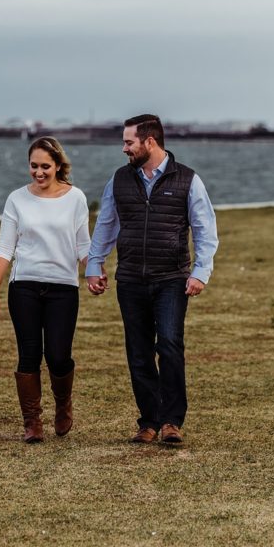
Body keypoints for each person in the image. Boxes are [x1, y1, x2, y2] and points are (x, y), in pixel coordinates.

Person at [86, 114, 218, 446]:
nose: (124, 149)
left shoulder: (188, 180)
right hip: (130, 279)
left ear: (150, 142)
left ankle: (172, 422)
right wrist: (94, 264)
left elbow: (205, 231)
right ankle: (149, 422)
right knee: (139, 352)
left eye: (129, 142)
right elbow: (106, 224)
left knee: (170, 346)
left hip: (172, 278)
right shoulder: (119, 180)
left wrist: (201, 272)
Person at [0, 137, 91, 443]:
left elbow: (83, 244)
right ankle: (32, 422)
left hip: (63, 289)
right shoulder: (17, 199)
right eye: (34, 166)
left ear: (58, 165)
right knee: (28, 355)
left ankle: (63, 405)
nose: (39, 172)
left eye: (46, 166)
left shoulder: (76, 199)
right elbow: (5, 248)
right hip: (24, 288)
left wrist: (94, 271)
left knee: (58, 356)